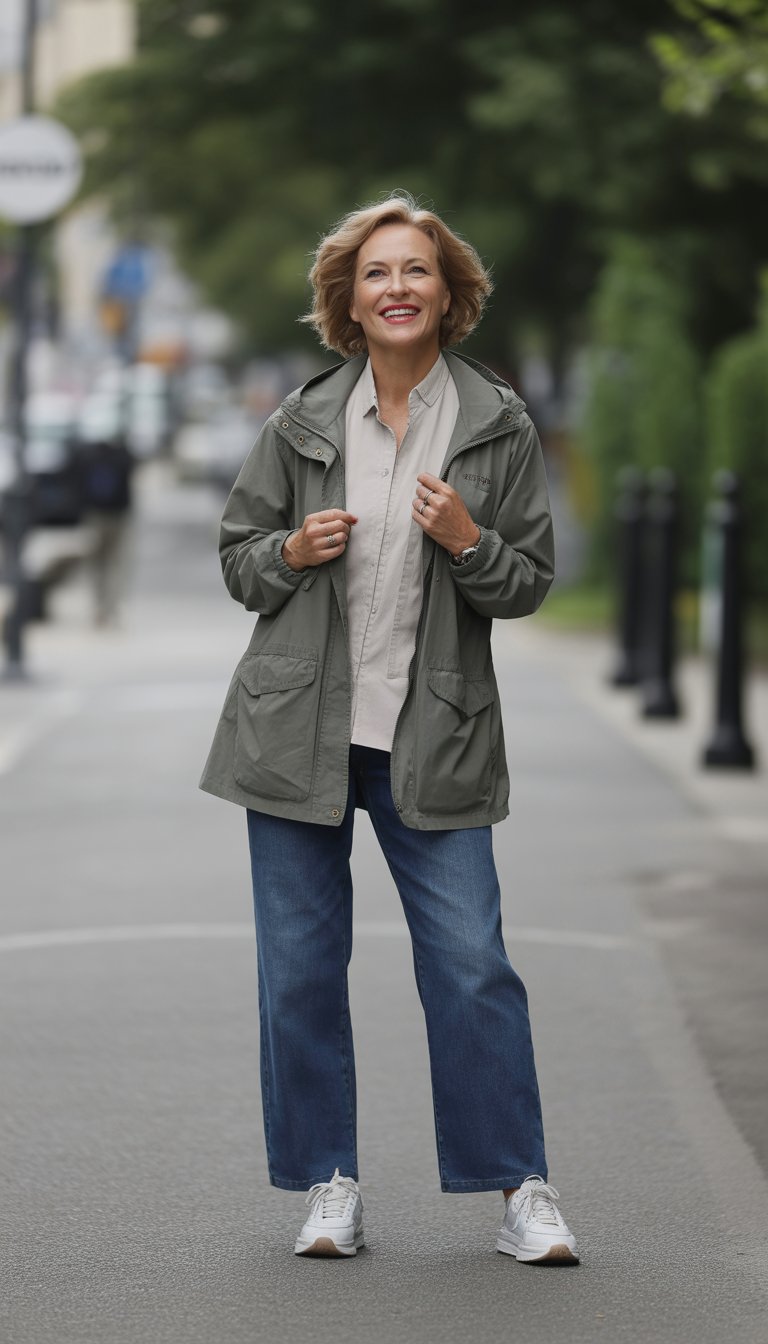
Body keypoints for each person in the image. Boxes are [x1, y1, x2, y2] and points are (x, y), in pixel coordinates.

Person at [200, 193, 578, 1264]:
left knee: (471, 964)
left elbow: (528, 585)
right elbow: (238, 560)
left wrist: (467, 539)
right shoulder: (302, 421)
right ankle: (329, 1185)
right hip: (292, 738)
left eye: (417, 271)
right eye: (377, 273)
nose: (398, 287)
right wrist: (290, 555)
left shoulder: (497, 425)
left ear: (449, 294)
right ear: (349, 302)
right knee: (301, 973)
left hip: (438, 737)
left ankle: (521, 1188)